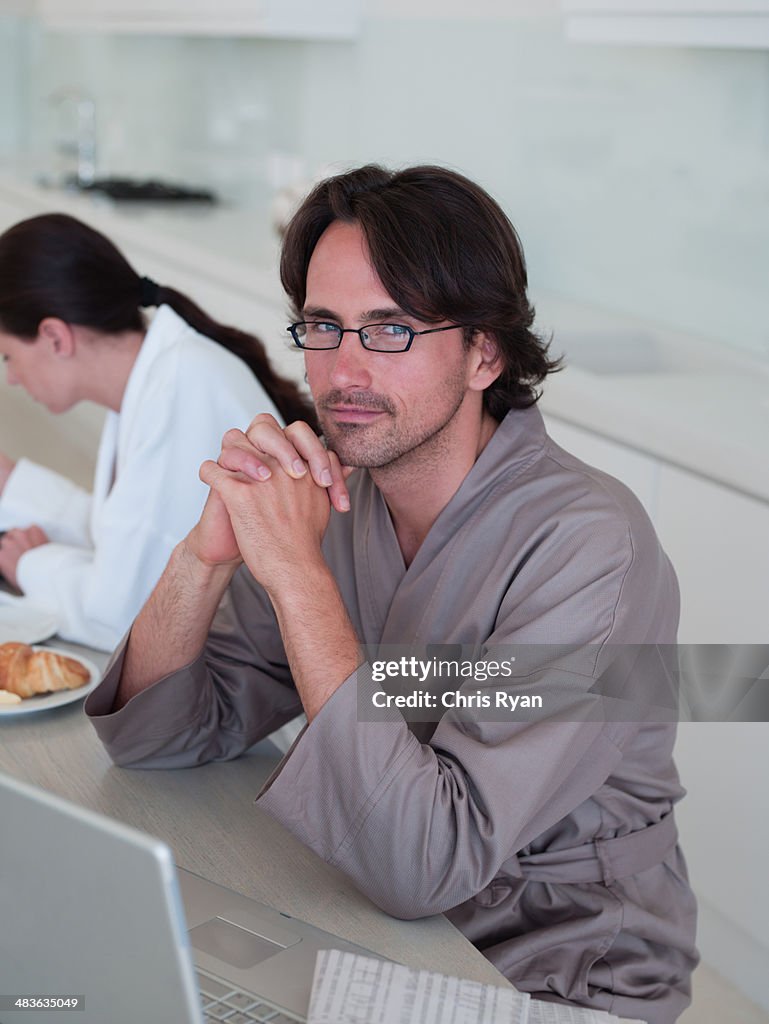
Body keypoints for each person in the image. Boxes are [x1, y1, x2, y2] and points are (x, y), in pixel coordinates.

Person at [86, 166, 698, 1022]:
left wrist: (297, 576)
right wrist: (209, 550)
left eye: (391, 331)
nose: (341, 371)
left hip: (557, 967)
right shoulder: (340, 501)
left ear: (484, 352)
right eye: (324, 326)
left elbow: (425, 864)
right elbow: (158, 736)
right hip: (370, 923)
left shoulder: (589, 545)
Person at [0, 212, 315, 650]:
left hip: (265, 686)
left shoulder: (179, 389)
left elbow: (126, 618)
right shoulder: (156, 375)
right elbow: (124, 535)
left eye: (7, 357)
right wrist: (12, 485)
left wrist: (31, 565)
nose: (11, 378)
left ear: (55, 337)